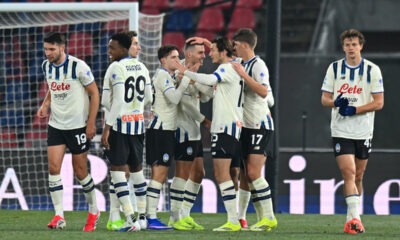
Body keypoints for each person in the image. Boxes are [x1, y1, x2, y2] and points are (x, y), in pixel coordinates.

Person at [174, 36, 243, 232]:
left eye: (212, 50)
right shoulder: (235, 66)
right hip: (233, 127)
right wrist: (193, 80)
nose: (209, 53)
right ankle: (234, 219)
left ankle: (233, 221)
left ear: (222, 52)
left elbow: (212, 79)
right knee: (227, 174)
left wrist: (185, 72)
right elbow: (212, 90)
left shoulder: (226, 68)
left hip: (224, 128)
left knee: (222, 175)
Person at [321, 29, 384, 234]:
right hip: (341, 129)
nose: (350, 48)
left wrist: (355, 109)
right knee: (348, 173)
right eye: (347, 45)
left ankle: (352, 216)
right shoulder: (334, 68)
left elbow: (379, 103)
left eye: (354, 44)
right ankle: (355, 220)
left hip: (364, 130)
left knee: (358, 176)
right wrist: (335, 103)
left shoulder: (372, 70)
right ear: (343, 47)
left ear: (361, 46)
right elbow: (324, 99)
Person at [37, 32, 100, 231]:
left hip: (78, 126)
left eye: (51, 49)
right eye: (46, 49)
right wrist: (45, 104)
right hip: (56, 125)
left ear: (62, 48)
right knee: (53, 168)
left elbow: (94, 93)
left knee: (81, 172)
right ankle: (59, 216)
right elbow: (51, 87)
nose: (47, 53)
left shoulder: (78, 66)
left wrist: (91, 123)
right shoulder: (46, 66)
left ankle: (94, 210)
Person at [101, 32, 152, 232]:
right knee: (138, 172)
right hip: (138, 125)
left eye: (112, 48)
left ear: (123, 49)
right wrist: (136, 108)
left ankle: (130, 218)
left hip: (120, 126)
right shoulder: (142, 67)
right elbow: (148, 97)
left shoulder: (116, 67)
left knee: (118, 173)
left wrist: (107, 127)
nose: (109, 51)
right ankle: (142, 218)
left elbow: (115, 100)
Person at [230, 28, 278, 231]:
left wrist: (243, 75)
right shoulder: (242, 63)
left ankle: (269, 217)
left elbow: (264, 91)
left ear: (245, 45)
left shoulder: (258, 65)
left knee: (253, 172)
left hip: (259, 124)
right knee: (245, 175)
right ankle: (243, 218)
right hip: (245, 125)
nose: (234, 48)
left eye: (236, 45)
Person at [168, 40, 213, 230]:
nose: (204, 56)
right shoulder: (178, 74)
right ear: (189, 55)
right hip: (183, 129)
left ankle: (185, 213)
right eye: (200, 53)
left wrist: (199, 82)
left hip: (193, 132)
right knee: (182, 174)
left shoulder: (193, 75)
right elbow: (185, 104)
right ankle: (175, 216)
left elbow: (207, 94)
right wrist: (205, 120)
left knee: (198, 173)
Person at [145, 45, 190, 230]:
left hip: (165, 130)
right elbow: (174, 98)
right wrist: (186, 78)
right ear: (163, 60)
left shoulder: (167, 76)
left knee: (160, 175)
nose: (177, 61)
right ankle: (150, 217)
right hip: (160, 130)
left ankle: (149, 216)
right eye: (173, 57)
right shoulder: (163, 76)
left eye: (178, 57)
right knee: (159, 174)